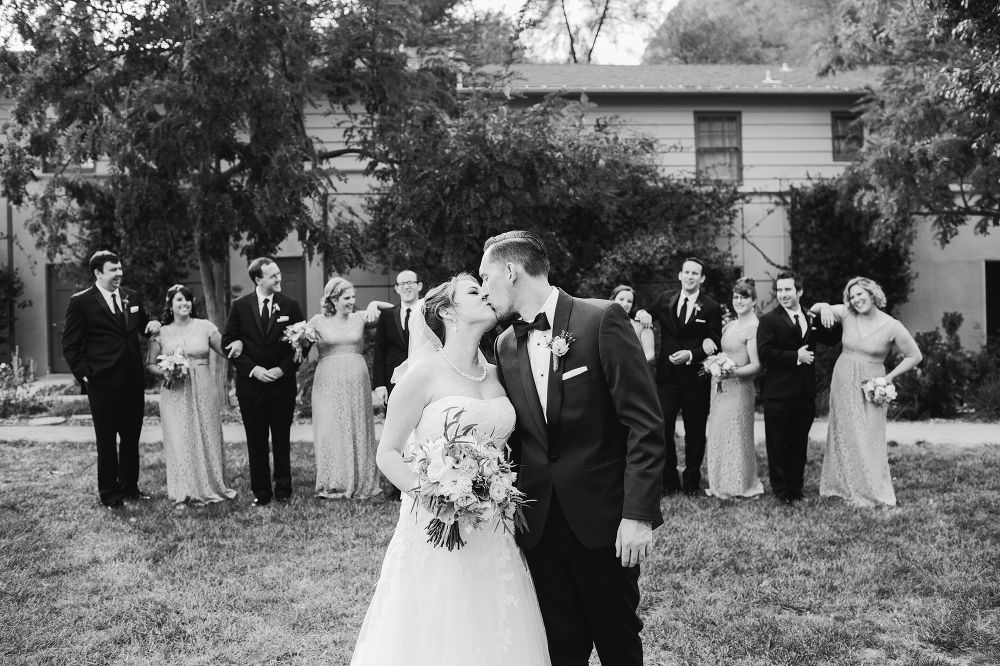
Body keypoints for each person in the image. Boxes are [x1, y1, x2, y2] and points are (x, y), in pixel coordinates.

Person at [483, 231, 665, 666]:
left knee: (616, 637)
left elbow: (644, 423)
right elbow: (518, 439)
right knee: (560, 645)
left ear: (511, 271)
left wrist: (638, 514)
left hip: (603, 520)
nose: (484, 289)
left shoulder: (601, 319)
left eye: (486, 277)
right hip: (540, 524)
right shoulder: (505, 344)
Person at [350, 273, 551, 665]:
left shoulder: (499, 373)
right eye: (474, 292)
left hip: (493, 525)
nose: (486, 295)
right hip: (435, 522)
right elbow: (388, 453)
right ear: (447, 311)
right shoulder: (421, 375)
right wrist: (436, 497)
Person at [810, 277, 922, 507]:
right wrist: (824, 308)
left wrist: (888, 378)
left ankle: (871, 488)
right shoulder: (848, 315)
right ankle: (841, 485)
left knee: (869, 436)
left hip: (872, 387)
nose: (856, 299)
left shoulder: (892, 326)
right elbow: (813, 309)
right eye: (852, 296)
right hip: (843, 380)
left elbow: (915, 356)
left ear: (872, 294)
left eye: (860, 294)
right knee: (843, 431)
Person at [61, 251, 160, 509]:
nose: (119, 274)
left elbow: (142, 324)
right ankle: (110, 493)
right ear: (97, 273)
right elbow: (70, 345)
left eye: (120, 269)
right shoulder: (81, 302)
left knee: (131, 438)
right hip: (102, 383)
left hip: (132, 381)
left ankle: (130, 488)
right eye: (113, 270)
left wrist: (152, 323)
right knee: (106, 441)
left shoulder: (132, 297)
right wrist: (85, 374)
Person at [221, 257, 306, 507]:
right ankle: (261, 492)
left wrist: (282, 370)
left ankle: (283, 490)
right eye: (273, 275)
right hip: (251, 387)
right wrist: (254, 369)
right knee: (255, 440)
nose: (279, 278)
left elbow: (304, 342)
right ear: (258, 280)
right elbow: (229, 342)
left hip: (281, 386)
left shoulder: (290, 305)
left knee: (281, 438)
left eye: (279, 273)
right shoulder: (240, 306)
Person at [635, 258, 723, 496]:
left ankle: (692, 482)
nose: (690, 276)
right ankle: (669, 481)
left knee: (695, 432)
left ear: (702, 278)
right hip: (668, 378)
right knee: (663, 429)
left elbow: (715, 342)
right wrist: (642, 312)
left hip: (696, 379)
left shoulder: (712, 307)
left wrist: (692, 354)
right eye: (687, 272)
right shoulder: (665, 298)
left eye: (695, 273)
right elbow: (645, 314)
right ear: (680, 275)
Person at [146, 285, 237, 506]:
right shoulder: (161, 332)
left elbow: (226, 351)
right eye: (179, 300)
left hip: (204, 388)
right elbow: (149, 365)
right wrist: (166, 371)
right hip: (174, 392)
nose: (184, 304)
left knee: (207, 435)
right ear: (170, 304)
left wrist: (238, 342)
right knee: (180, 438)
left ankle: (212, 485)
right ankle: (184, 489)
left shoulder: (205, 326)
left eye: (187, 300)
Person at [756, 270, 841, 504]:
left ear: (799, 291)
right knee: (778, 444)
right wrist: (796, 356)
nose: (782, 294)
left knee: (798, 443)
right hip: (778, 393)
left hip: (804, 392)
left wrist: (826, 307)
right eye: (779, 290)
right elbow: (765, 352)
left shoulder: (811, 317)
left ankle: (796, 489)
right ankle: (782, 492)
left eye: (787, 290)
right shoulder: (769, 319)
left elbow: (833, 339)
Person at [307, 277, 392, 500]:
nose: (352, 301)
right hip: (327, 381)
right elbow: (298, 344)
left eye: (353, 297)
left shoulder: (359, 318)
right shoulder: (316, 321)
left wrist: (375, 304)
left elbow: (396, 310)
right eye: (347, 297)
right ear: (333, 299)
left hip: (356, 380)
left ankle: (361, 480)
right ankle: (334, 482)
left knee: (357, 425)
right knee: (330, 429)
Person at [704, 277, 764, 499]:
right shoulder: (730, 324)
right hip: (720, 387)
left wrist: (731, 372)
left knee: (736, 435)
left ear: (753, 301)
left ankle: (738, 485)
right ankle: (720, 482)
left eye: (744, 297)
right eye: (736, 297)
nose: (739, 301)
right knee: (720, 432)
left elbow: (756, 365)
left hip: (739, 388)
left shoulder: (754, 327)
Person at [373, 270, 423, 409]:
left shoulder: (428, 312)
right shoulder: (387, 315)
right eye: (402, 284)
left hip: (423, 377)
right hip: (393, 380)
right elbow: (380, 350)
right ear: (396, 288)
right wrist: (380, 385)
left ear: (419, 286)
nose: (406, 287)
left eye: (410, 282)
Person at [610, 285, 655, 363]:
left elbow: (650, 354)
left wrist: (632, 365)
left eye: (629, 301)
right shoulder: (603, 324)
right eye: (621, 299)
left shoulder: (642, 326)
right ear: (613, 300)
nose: (625, 303)